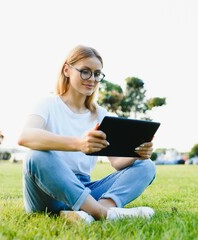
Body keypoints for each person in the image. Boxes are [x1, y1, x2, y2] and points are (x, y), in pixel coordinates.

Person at [18, 44, 156, 224]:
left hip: (84, 190)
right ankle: (104, 213)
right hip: (46, 192)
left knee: (146, 166)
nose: (92, 79)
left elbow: (117, 162)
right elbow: (25, 136)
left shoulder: (100, 114)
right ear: (67, 70)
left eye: (97, 74)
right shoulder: (48, 104)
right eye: (85, 71)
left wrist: (137, 155)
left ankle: (89, 211)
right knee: (36, 155)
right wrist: (78, 143)